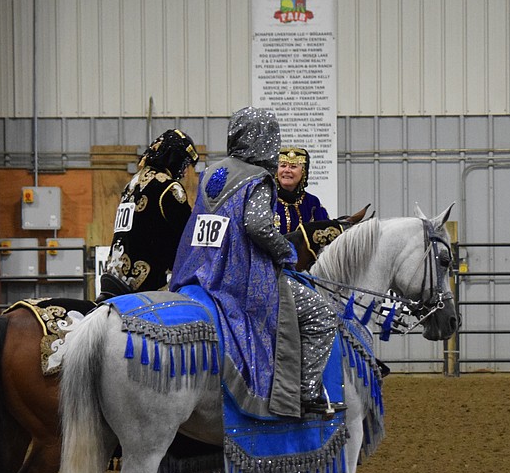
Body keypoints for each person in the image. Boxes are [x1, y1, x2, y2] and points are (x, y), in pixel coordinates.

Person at [169, 107, 338, 418]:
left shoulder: (211, 174)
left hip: (199, 273)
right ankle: (305, 394)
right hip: (239, 278)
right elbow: (257, 225)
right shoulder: (257, 178)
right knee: (321, 316)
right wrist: (285, 253)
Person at [97, 129, 199, 300]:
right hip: (148, 284)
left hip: (115, 276)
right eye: (183, 164)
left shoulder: (132, 183)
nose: (184, 172)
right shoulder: (169, 187)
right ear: (173, 158)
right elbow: (188, 236)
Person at [274, 146, 330, 235]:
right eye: (283, 165)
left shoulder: (312, 203)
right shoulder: (267, 200)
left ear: (303, 172)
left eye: (293, 166)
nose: (287, 170)